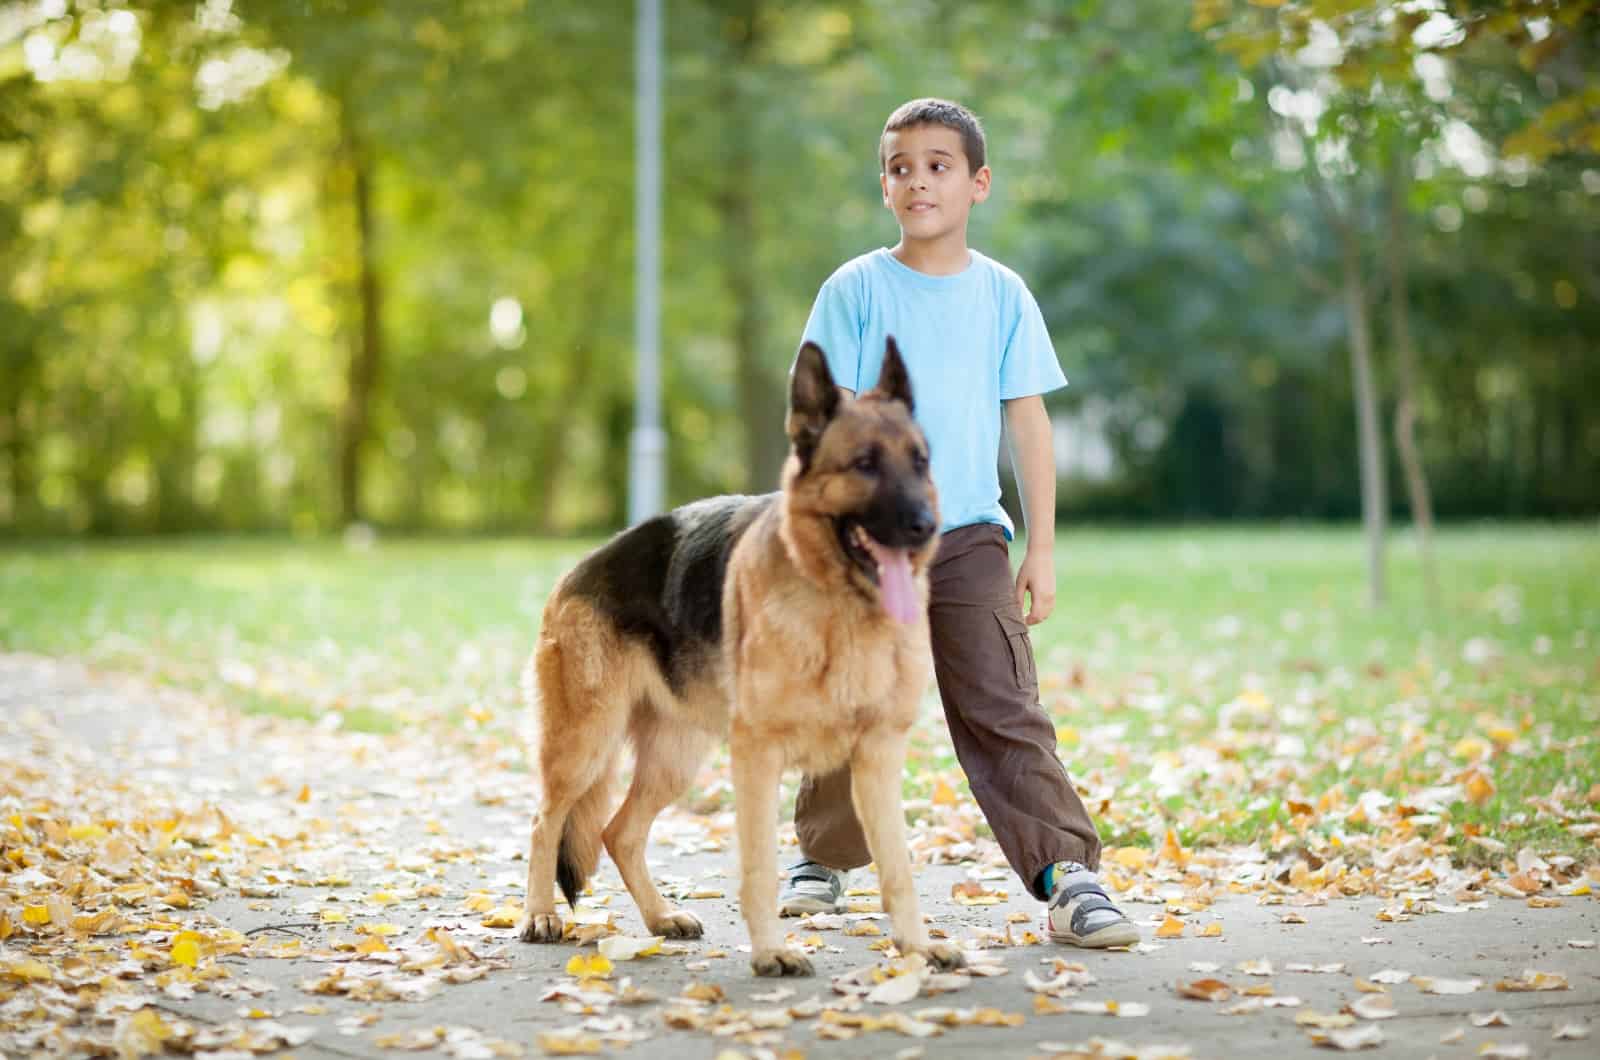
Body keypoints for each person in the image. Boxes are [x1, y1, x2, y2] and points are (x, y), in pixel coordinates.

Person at [780, 98, 1138, 948]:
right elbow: (823, 418)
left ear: (978, 183)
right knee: (849, 693)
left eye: (938, 165)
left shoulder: (1004, 295)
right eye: (901, 167)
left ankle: (1069, 876)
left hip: (970, 531)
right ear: (884, 186)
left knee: (1003, 704)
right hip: (866, 541)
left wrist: (1041, 547)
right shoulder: (856, 289)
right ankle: (823, 858)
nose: (918, 181)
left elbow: (1029, 423)